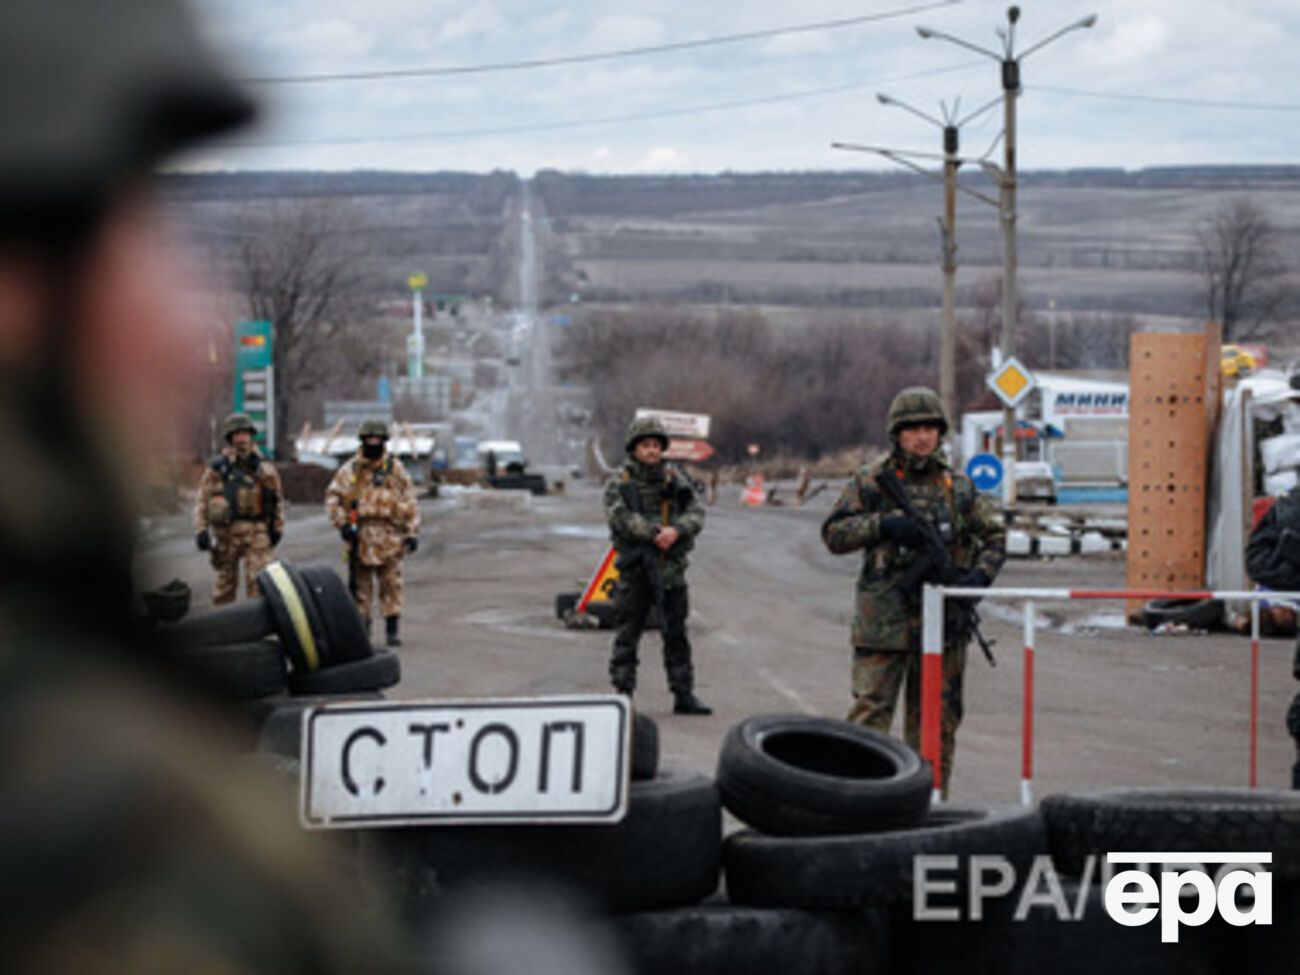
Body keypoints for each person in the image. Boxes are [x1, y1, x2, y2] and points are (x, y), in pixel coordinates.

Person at [0, 0, 402, 969]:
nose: (185, 329)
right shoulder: (113, 829)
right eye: (133, 231)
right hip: (240, 556)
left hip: (310, 550)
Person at [821, 387, 1006, 793]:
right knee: (869, 718)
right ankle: (859, 802)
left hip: (944, 621)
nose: (922, 437)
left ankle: (929, 802)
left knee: (936, 722)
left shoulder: (957, 487)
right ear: (896, 433)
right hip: (883, 620)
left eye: (930, 428)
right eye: (912, 429)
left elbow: (995, 537)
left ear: (941, 433)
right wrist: (882, 525)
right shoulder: (872, 481)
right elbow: (833, 534)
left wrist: (977, 580)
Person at [604, 417, 711, 715]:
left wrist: (676, 531)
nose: (651, 451)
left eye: (655, 445)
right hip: (636, 571)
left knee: (676, 634)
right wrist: (653, 534)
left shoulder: (673, 479)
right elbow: (620, 518)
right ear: (634, 448)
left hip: (670, 570)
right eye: (645, 445)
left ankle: (683, 693)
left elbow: (696, 512)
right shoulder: (621, 483)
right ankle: (622, 694)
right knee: (628, 634)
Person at [326, 419, 420, 647]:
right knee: (361, 588)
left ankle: (391, 629)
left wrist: (412, 532)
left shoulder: (395, 470)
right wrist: (343, 524)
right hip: (361, 535)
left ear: (384, 441)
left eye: (377, 439)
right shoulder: (350, 470)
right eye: (369, 439)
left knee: (391, 585)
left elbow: (409, 501)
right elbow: (333, 498)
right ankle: (362, 630)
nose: (373, 443)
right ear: (362, 440)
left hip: (390, 535)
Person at [193, 411, 284, 604]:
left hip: (257, 532)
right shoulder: (218, 468)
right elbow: (202, 500)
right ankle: (224, 630)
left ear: (251, 435)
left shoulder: (265, 468)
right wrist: (201, 530)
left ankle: (256, 629)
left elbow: (277, 500)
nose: (241, 439)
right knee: (224, 588)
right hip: (226, 533)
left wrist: (278, 528)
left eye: (245, 434)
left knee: (259, 586)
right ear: (230, 438)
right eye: (236, 434)